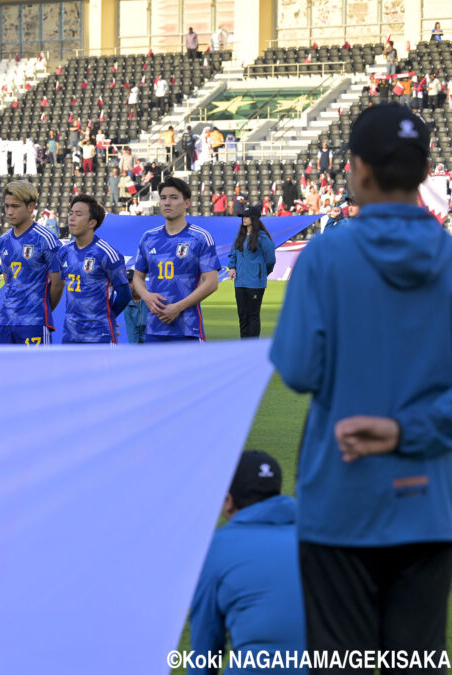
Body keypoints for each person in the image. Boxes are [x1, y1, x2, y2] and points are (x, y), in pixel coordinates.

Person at [271, 104, 452, 670]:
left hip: (340, 505)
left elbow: (297, 370)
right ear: (423, 172)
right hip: (429, 506)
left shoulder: (327, 256)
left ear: (358, 169)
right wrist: (405, 429)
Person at [188, 451, 307, 675]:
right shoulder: (318, 539)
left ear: (228, 500)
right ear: (278, 493)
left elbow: (205, 650)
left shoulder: (216, 547)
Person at [131, 178, 220, 342]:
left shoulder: (200, 237)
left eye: (173, 197)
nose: (167, 202)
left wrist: (178, 307)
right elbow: (137, 277)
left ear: (187, 203)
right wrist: (146, 296)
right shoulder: (148, 238)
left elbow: (212, 282)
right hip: (154, 329)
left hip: (188, 330)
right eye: (163, 198)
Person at [0, 180, 63, 345]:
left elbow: (58, 284)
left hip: (34, 322)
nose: (9, 211)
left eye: (15, 206)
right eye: (7, 206)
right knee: (2, 370)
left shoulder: (46, 239)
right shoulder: (3, 240)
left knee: (37, 370)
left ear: (31, 207)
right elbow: (8, 280)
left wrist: (42, 310)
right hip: (6, 321)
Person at [58, 194, 129, 344]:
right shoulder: (64, 252)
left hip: (99, 336)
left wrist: (110, 316)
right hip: (70, 336)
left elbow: (125, 293)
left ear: (92, 223)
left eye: (78, 214)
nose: (71, 218)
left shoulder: (107, 253)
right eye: (71, 213)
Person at [227, 208, 276, 339]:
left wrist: (262, 272)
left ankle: (253, 346)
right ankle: (244, 345)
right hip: (240, 282)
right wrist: (232, 267)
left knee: (253, 315)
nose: (244, 218)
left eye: (247, 216)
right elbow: (233, 252)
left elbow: (271, 259)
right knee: (242, 316)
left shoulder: (262, 237)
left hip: (255, 283)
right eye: (243, 216)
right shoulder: (240, 235)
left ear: (254, 219)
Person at [123, 269, 148, 344]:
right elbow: (132, 333)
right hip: (140, 348)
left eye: (130, 281)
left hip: (155, 343)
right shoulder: (127, 305)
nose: (128, 285)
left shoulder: (150, 298)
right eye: (125, 283)